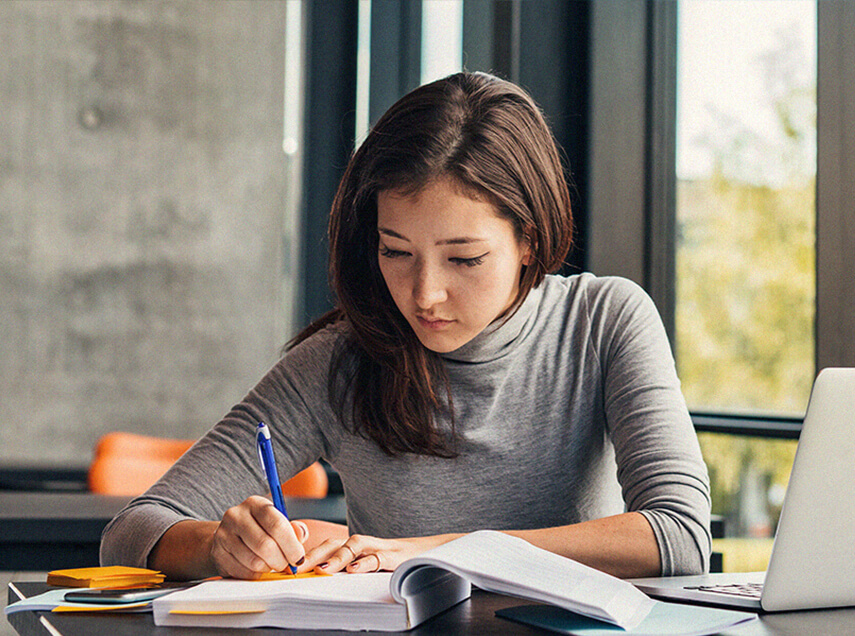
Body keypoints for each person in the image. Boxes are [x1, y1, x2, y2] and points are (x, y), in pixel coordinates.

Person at [100, 71, 711, 581]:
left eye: (464, 259)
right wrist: (216, 545)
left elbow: (680, 534)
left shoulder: (604, 321)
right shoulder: (341, 360)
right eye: (396, 251)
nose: (425, 294)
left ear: (529, 239)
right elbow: (135, 528)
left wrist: (436, 551)